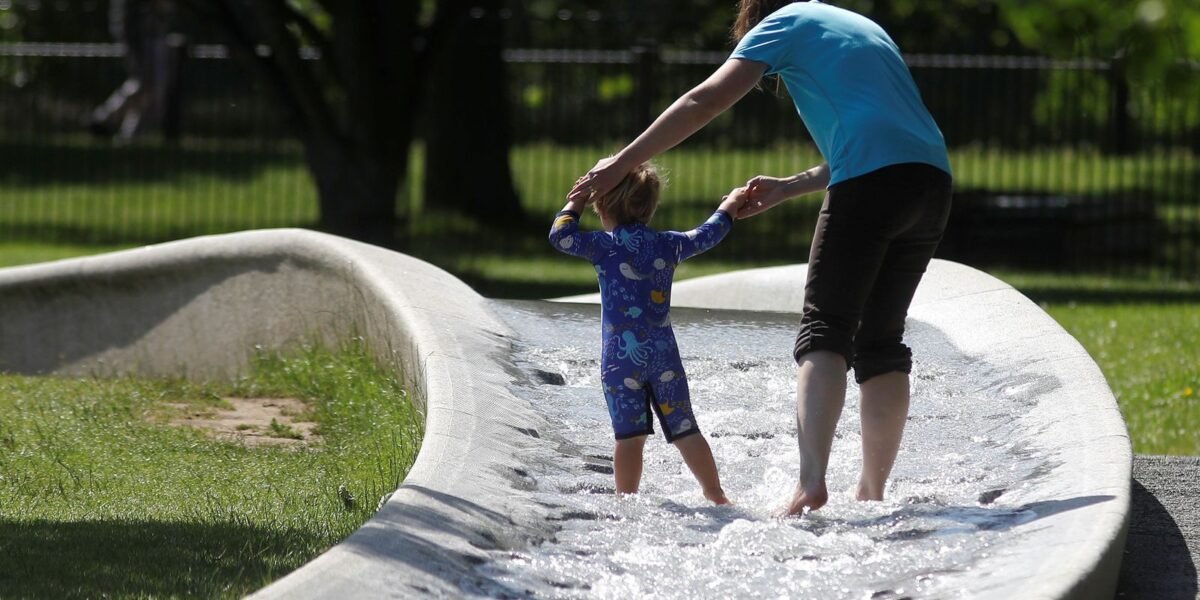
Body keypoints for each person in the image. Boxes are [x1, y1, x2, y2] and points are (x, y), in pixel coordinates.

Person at [566, 0, 953, 516]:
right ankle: (872, 491)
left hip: (871, 185)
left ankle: (810, 485)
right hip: (932, 183)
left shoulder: (782, 23)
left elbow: (704, 101)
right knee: (882, 340)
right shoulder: (862, 28)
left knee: (825, 330)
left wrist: (621, 163)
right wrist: (789, 186)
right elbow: (880, 149)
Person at [550, 162, 742, 505]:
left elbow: (560, 236)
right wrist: (730, 204)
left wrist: (577, 198)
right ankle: (717, 495)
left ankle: (626, 503)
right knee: (685, 428)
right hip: (663, 356)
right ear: (650, 206)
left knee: (628, 437)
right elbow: (708, 234)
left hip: (619, 362)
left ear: (601, 205)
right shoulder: (667, 245)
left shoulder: (603, 246)